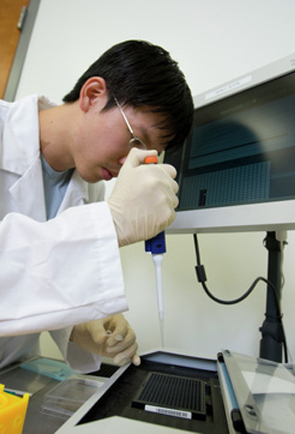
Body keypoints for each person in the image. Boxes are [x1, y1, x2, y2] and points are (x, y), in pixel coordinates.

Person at [0, 40, 193, 372]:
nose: (129, 162)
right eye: (136, 141)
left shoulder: (90, 188)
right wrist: (111, 224)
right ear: (92, 95)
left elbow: (35, 281)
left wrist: (79, 326)